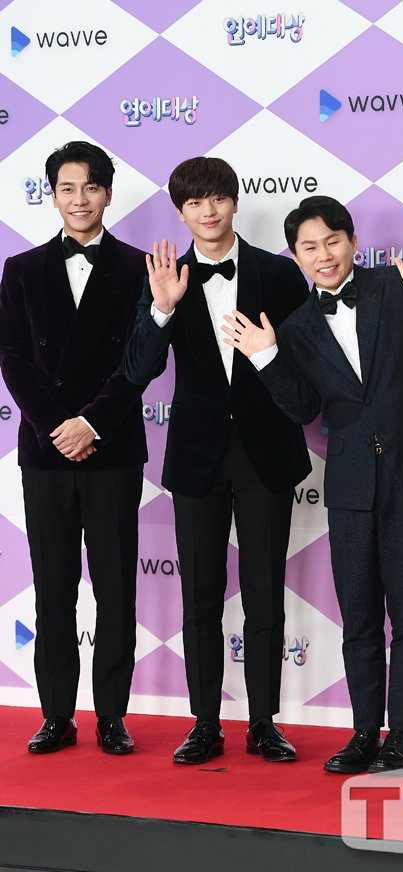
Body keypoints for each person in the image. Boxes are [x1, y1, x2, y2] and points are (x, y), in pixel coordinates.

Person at [223, 195, 403, 773]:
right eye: (309, 247)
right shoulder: (296, 327)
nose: (324, 255)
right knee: (357, 613)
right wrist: (266, 359)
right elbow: (304, 408)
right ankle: (363, 732)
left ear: (352, 242)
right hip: (352, 480)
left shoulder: (397, 285)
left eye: (332, 241)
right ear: (296, 257)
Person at [123, 157, 311, 764]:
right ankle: (205, 722)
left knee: (265, 591)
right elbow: (138, 370)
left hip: (266, 453)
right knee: (200, 593)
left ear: (234, 201)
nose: (207, 211)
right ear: (180, 212)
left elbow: (303, 368)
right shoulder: (164, 277)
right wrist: (161, 309)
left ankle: (263, 722)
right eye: (194, 202)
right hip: (197, 455)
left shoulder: (279, 274)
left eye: (217, 198)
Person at [0, 141, 147, 755]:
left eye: (90, 187)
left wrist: (92, 424)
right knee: (53, 587)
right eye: (67, 188)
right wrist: (58, 425)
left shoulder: (140, 267)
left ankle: (111, 714)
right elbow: (12, 357)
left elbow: (139, 362)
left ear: (108, 193)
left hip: (112, 447)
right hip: (45, 450)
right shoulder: (21, 269)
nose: (79, 199)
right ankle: (57, 714)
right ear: (52, 195)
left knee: (116, 589)